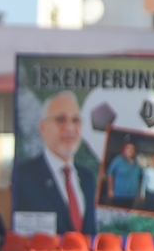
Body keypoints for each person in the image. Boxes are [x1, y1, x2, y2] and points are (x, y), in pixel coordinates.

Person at [12, 91, 97, 235]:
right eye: (60, 119)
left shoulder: (88, 178)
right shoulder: (25, 177)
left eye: (75, 120)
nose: (69, 128)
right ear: (42, 128)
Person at [104, 141, 141, 208]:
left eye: (132, 148)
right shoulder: (118, 160)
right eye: (128, 148)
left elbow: (141, 176)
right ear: (124, 150)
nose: (130, 150)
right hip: (118, 195)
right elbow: (110, 174)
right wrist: (110, 190)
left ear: (135, 151)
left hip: (131, 196)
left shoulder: (137, 163)